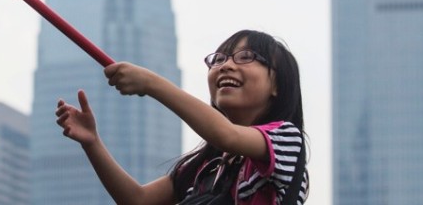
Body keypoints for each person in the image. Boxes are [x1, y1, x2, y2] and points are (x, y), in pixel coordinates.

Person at [55, 29, 307, 205]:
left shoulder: (286, 140)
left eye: (246, 57)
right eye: (219, 59)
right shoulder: (209, 164)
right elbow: (137, 200)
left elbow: (225, 135)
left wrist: (151, 83)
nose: (226, 65)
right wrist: (92, 142)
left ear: (278, 84)